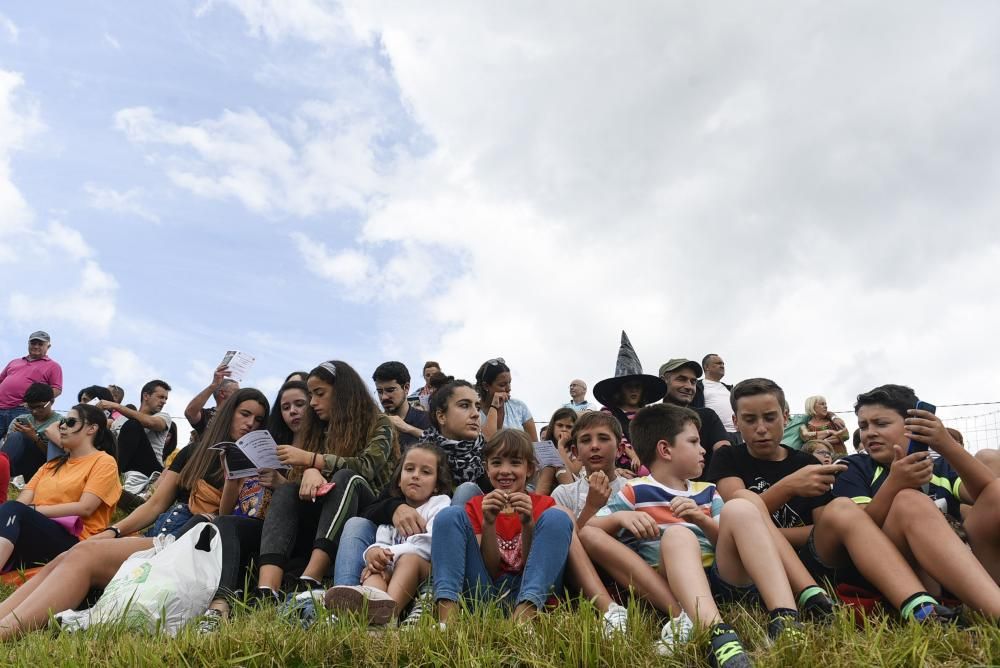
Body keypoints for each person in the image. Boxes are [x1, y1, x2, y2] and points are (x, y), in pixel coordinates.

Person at [0, 389, 268, 640]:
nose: (250, 423)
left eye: (258, 420)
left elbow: (226, 523)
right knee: (65, 556)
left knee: (82, 555)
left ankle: (7, 630)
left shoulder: (256, 463)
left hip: (193, 549)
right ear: (229, 411)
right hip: (161, 536)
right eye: (245, 414)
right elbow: (154, 506)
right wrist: (114, 531)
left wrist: (234, 477)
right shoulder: (193, 452)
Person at [705, 378, 963, 624]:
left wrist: (769, 533)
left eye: (770, 417)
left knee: (842, 509)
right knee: (743, 500)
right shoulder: (728, 457)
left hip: (804, 563)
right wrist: (788, 487)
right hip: (744, 568)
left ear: (785, 417)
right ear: (736, 422)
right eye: (750, 420)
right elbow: (736, 518)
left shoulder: (806, 463)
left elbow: (823, 528)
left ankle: (918, 606)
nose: (761, 428)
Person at [593, 404, 806, 665]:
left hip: (723, 575)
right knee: (677, 535)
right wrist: (619, 517)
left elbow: (725, 539)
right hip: (674, 582)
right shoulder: (634, 491)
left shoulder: (708, 491)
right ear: (665, 450)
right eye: (694, 441)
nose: (703, 449)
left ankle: (785, 617)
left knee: (741, 508)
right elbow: (590, 529)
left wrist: (701, 520)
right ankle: (717, 635)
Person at [830, 384, 1000, 616]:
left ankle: (980, 597)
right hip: (906, 576)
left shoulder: (939, 466)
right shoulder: (854, 467)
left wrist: (946, 445)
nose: (869, 433)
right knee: (909, 500)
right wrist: (895, 483)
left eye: (881, 424)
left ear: (913, 425)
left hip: (959, 570)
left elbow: (989, 496)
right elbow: (858, 528)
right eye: (863, 426)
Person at [256, 361, 397, 622]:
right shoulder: (317, 430)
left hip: (369, 507)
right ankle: (267, 589)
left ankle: (311, 579)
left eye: (319, 393)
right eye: (311, 395)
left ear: (342, 392)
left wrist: (313, 461)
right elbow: (305, 482)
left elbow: (366, 468)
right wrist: (309, 469)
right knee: (287, 490)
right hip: (323, 509)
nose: (312, 402)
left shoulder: (380, 423)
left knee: (347, 477)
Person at [332, 380, 489, 595]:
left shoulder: (488, 460)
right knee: (357, 523)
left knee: (466, 492)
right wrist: (396, 508)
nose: (475, 414)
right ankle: (346, 595)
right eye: (465, 405)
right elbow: (372, 509)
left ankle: (442, 591)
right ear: (441, 416)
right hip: (399, 559)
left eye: (478, 407)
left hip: (450, 567)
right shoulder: (420, 456)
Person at [194, 383, 308, 634]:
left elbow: (306, 506)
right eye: (286, 407)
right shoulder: (256, 453)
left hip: (278, 531)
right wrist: (231, 479)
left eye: (258, 420)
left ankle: (220, 604)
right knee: (218, 525)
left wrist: (282, 484)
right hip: (242, 525)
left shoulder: (299, 453)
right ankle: (220, 602)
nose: (251, 424)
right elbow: (225, 514)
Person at [431, 429, 573, 623]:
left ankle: (525, 618)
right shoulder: (476, 505)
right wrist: (488, 523)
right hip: (485, 593)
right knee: (450, 515)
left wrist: (527, 523)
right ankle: (447, 619)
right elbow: (489, 569)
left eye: (515, 463)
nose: (505, 471)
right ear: (486, 468)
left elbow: (534, 566)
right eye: (496, 463)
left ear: (530, 469)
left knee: (558, 518)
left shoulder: (543, 505)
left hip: (533, 591)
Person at [324, 442, 452, 625]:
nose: (415, 475)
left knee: (409, 560)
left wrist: (389, 555)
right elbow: (382, 540)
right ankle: (367, 612)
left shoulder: (438, 503)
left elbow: (427, 544)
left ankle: (388, 616)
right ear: (399, 479)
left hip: (424, 570)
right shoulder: (391, 511)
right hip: (393, 566)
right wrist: (373, 554)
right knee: (375, 571)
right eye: (409, 469)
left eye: (426, 472)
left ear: (437, 485)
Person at [0, 404, 120, 572]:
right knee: (9, 510)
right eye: (62, 421)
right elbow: (22, 502)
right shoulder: (50, 465)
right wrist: (24, 511)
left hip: (75, 541)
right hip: (39, 534)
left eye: (70, 422)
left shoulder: (104, 462)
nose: (62, 426)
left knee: (12, 509)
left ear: (92, 428)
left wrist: (32, 510)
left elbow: (85, 507)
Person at [592, 332, 666, 476]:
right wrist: (633, 456)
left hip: (652, 461)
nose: (633, 391)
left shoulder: (650, 413)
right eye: (628, 387)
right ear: (620, 391)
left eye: (637, 386)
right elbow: (616, 437)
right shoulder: (609, 412)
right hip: (621, 461)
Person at [659, 358, 730, 476]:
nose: (689, 386)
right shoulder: (648, 419)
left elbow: (723, 450)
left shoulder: (708, 416)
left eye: (693, 382)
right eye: (681, 379)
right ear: (663, 381)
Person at [97, 380, 172, 484]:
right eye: (160, 397)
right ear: (146, 396)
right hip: (125, 463)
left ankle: (110, 478)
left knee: (133, 425)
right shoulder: (121, 419)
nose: (164, 401)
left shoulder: (163, 417)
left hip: (149, 468)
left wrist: (116, 406)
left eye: (165, 398)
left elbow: (151, 422)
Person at [0, 332, 62, 436]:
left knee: (15, 444)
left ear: (48, 346)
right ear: (28, 344)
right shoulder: (15, 361)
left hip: (23, 410)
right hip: (0, 407)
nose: (36, 346)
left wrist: (33, 403)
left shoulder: (53, 366)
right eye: (33, 343)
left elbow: (56, 389)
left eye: (40, 344)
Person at [1, 383, 61, 481]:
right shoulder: (20, 419)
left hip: (43, 467)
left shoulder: (60, 422)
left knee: (18, 437)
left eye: (40, 407)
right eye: (30, 407)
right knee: (16, 437)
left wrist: (35, 438)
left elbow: (57, 457)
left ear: (52, 401)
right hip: (17, 465)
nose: (35, 411)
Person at [476, 358, 538, 441]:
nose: (509, 389)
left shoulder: (519, 406)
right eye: (502, 385)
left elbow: (535, 444)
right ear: (486, 386)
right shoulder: (474, 411)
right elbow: (489, 442)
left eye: (509, 383)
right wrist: (494, 406)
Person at [373, 361, 431, 449]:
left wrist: (408, 429)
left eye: (390, 390)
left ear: (406, 388)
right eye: (380, 392)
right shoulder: (373, 424)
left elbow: (444, 448)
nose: (384, 397)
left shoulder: (427, 420)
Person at [185, 365, 240, 438]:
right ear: (222, 393)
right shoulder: (207, 415)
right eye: (236, 391)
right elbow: (190, 412)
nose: (240, 395)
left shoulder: (241, 416)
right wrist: (214, 384)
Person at [535, 407, 579, 493]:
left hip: (572, 486)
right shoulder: (545, 448)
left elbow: (574, 471)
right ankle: (539, 502)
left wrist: (561, 446)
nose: (564, 429)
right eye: (560, 425)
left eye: (569, 427)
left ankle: (570, 499)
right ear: (553, 427)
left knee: (560, 467)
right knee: (548, 468)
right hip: (547, 485)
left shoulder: (577, 449)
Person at [699, 355, 739, 444]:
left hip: (737, 435)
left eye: (723, 364)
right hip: (715, 436)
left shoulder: (729, 389)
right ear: (707, 367)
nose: (722, 366)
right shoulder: (697, 387)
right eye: (718, 363)